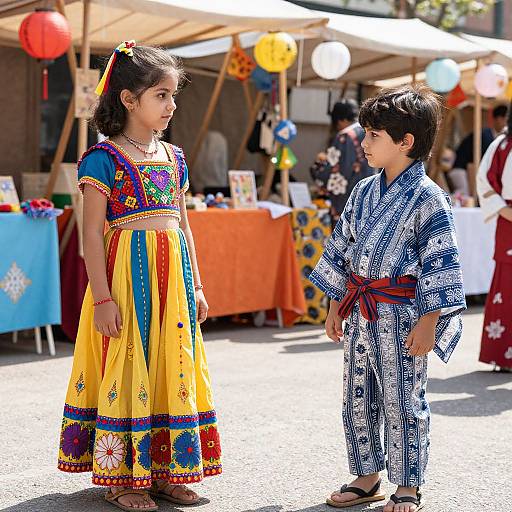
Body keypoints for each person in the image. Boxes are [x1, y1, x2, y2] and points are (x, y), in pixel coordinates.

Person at [57, 42, 222, 512]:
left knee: (173, 364)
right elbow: (92, 236)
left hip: (175, 281)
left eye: (173, 95)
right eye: (162, 95)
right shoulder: (102, 159)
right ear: (129, 99)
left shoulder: (174, 157)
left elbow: (183, 225)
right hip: (126, 280)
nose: (172, 105)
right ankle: (124, 478)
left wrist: (198, 286)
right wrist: (103, 298)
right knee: (128, 364)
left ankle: (170, 470)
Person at [309, 86, 466, 512]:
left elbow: (441, 263)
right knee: (357, 394)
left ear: (405, 142)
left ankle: (409, 483)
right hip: (360, 309)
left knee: (402, 398)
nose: (363, 143)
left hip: (402, 315)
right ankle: (366, 474)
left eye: (373, 135)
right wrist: (333, 305)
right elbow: (341, 248)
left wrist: (430, 321)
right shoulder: (362, 192)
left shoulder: (430, 197)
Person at [477, 101, 512, 372]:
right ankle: (503, 354)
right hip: (508, 218)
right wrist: (502, 208)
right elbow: (484, 180)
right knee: (506, 287)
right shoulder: (501, 145)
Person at [310, 98, 374, 226]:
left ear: (342, 119)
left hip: (346, 202)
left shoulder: (344, 137)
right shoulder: (370, 133)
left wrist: (318, 167)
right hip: (368, 199)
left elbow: (333, 173)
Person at [448, 104, 508, 194]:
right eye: (506, 121)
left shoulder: (492, 136)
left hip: (468, 170)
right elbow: (476, 164)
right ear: (499, 119)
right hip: (460, 170)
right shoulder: (486, 136)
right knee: (465, 196)